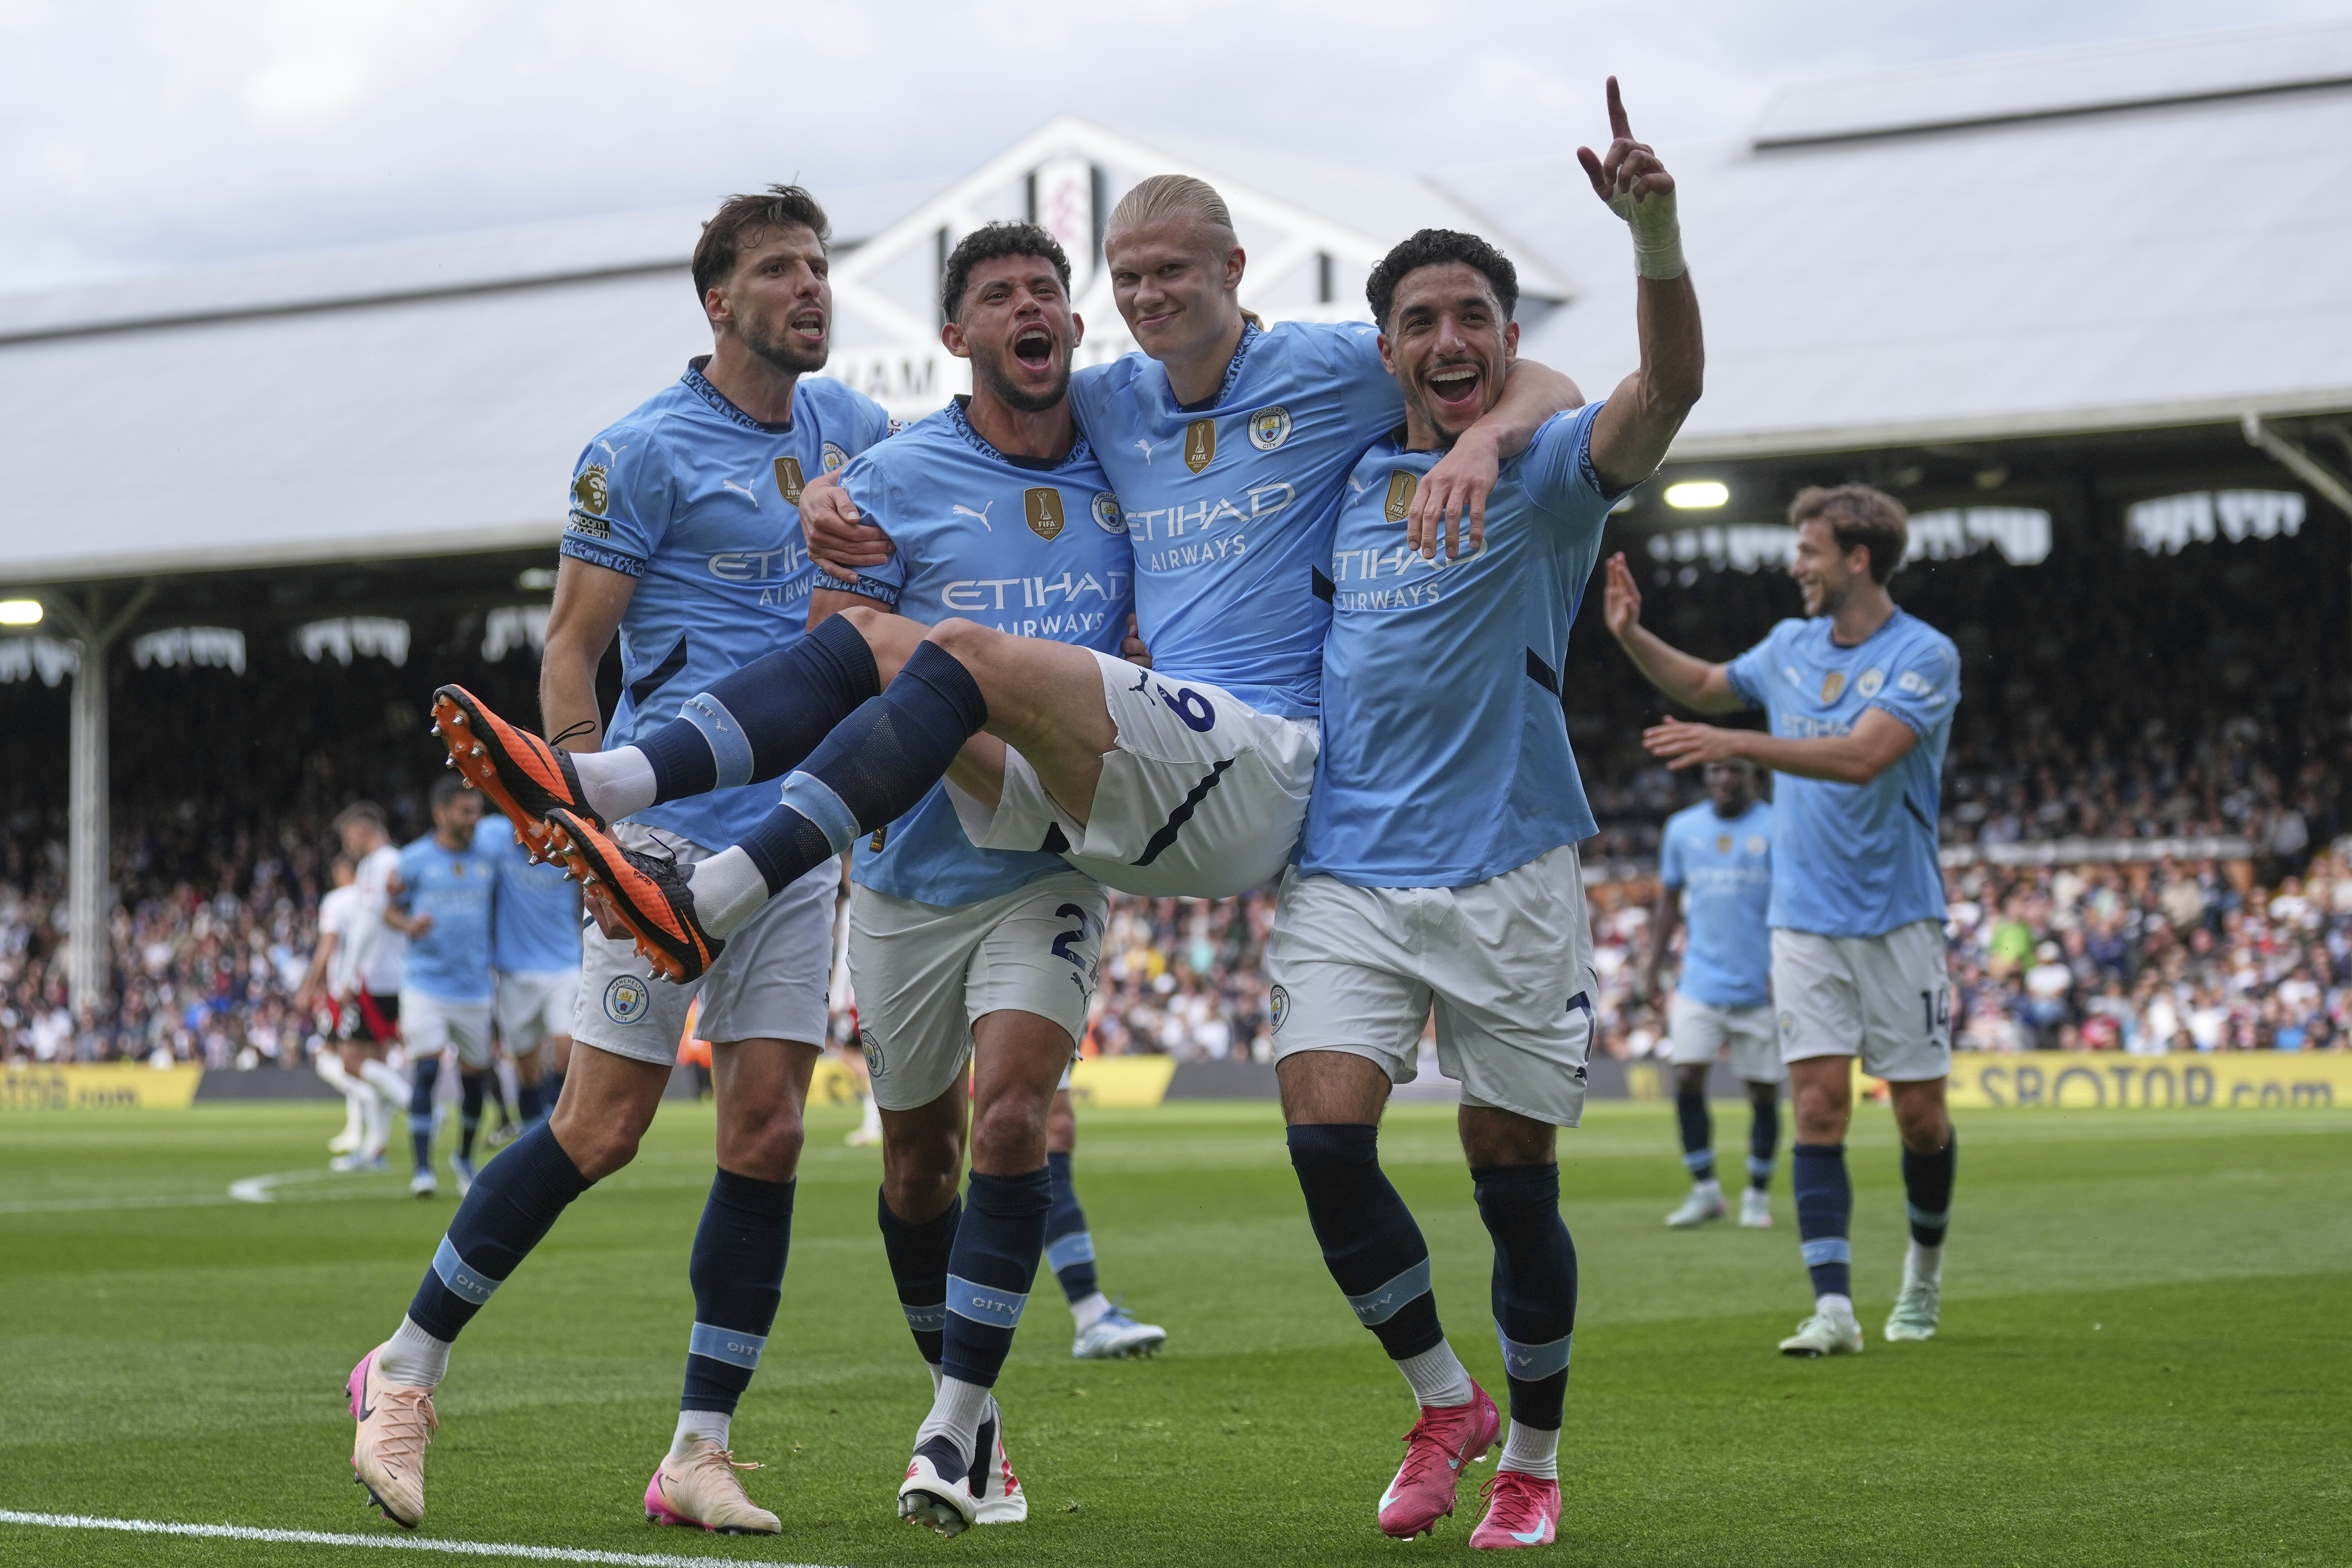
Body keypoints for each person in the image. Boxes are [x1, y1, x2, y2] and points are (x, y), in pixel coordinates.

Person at [440, 169, 1580, 978]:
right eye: (1127, 280)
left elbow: (1540, 381)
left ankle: (678, 849)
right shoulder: (1106, 401)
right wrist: (838, 490)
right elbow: (971, 429)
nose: (1146, 298)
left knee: (959, 656)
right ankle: (629, 798)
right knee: (889, 653)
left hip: (1263, 760)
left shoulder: (1341, 364)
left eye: (1171, 273)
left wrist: (1481, 439)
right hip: (1129, 769)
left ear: (1235, 268)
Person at [346, 183, 896, 1535]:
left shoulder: (861, 431)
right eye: (780, 271)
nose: (810, 289)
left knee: (765, 1133)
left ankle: (700, 1451)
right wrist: (586, 831)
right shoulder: (639, 451)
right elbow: (570, 650)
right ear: (721, 304)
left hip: (800, 836)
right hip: (661, 834)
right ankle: (404, 1373)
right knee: (599, 1128)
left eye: (820, 268)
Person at [1266, 79, 1701, 1551]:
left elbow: (1660, 397)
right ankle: (1438, 1396)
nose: (1446, 341)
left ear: (1508, 342)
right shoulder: (1334, 488)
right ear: (1383, 347)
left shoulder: (1546, 481)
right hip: (1340, 875)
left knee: (1512, 1182)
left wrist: (1653, 238)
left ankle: (1529, 1456)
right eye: (1418, 321)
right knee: (1323, 1145)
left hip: (1508, 868)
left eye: (1472, 318)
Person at [798, 222, 1163, 1534]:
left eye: (1047, 292)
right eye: (1000, 293)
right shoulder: (895, 475)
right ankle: (976, 1413)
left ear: (1073, 325)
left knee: (1015, 1119)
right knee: (916, 1169)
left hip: (1054, 864)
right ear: (954, 336)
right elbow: (833, 637)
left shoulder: (1130, 460)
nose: (1030, 307)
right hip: (909, 871)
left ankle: (951, 1430)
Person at [1601, 481, 1961, 1356]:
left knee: (1920, 1116)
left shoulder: (1925, 653)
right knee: (1818, 1103)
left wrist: (1735, 743)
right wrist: (1632, 636)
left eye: (1809, 551)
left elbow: (1862, 756)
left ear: (1857, 557)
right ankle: (1833, 1306)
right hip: (1802, 919)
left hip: (1899, 917)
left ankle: (1922, 1271)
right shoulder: (1792, 645)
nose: (1794, 565)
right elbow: (1707, 685)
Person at [1645, 758, 1783, 1229]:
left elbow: (1795, 898)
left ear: (1755, 776)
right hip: (1699, 983)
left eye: (1736, 770)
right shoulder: (1682, 828)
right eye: (1715, 770)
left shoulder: (1778, 826)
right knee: (1685, 1077)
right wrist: (1652, 967)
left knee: (1763, 1091)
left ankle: (1757, 1195)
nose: (1724, 778)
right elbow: (1668, 903)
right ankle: (1705, 1190)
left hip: (1761, 987)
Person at [383, 778, 499, 1200]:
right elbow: (390, 910)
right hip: (426, 985)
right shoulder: (414, 860)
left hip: (474, 988)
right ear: (441, 814)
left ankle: (463, 1158)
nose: (474, 820)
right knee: (427, 1071)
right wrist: (409, 924)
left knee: (474, 1083)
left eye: (476, 812)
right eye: (466, 812)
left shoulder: (489, 858)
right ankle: (422, 1171)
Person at [486, 824, 582, 1135]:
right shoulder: (493, 836)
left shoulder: (568, 840)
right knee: (527, 1069)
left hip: (565, 962)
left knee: (566, 1048)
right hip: (515, 972)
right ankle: (532, 1133)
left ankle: (556, 1127)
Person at [331, 803, 412, 1173]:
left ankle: (417, 1106)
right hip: (391, 975)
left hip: (376, 978)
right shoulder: (389, 862)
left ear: (363, 831)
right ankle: (375, 1149)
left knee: (350, 1060)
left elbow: (368, 924)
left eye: (349, 837)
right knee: (375, 1063)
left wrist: (347, 976)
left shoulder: (380, 864)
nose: (348, 845)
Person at [296, 855, 371, 1154]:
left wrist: (309, 986)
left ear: (343, 872)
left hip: (342, 991)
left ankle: (371, 1098)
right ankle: (357, 1129)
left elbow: (328, 946)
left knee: (328, 1058)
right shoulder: (371, 898)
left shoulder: (338, 901)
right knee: (353, 1058)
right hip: (370, 989)